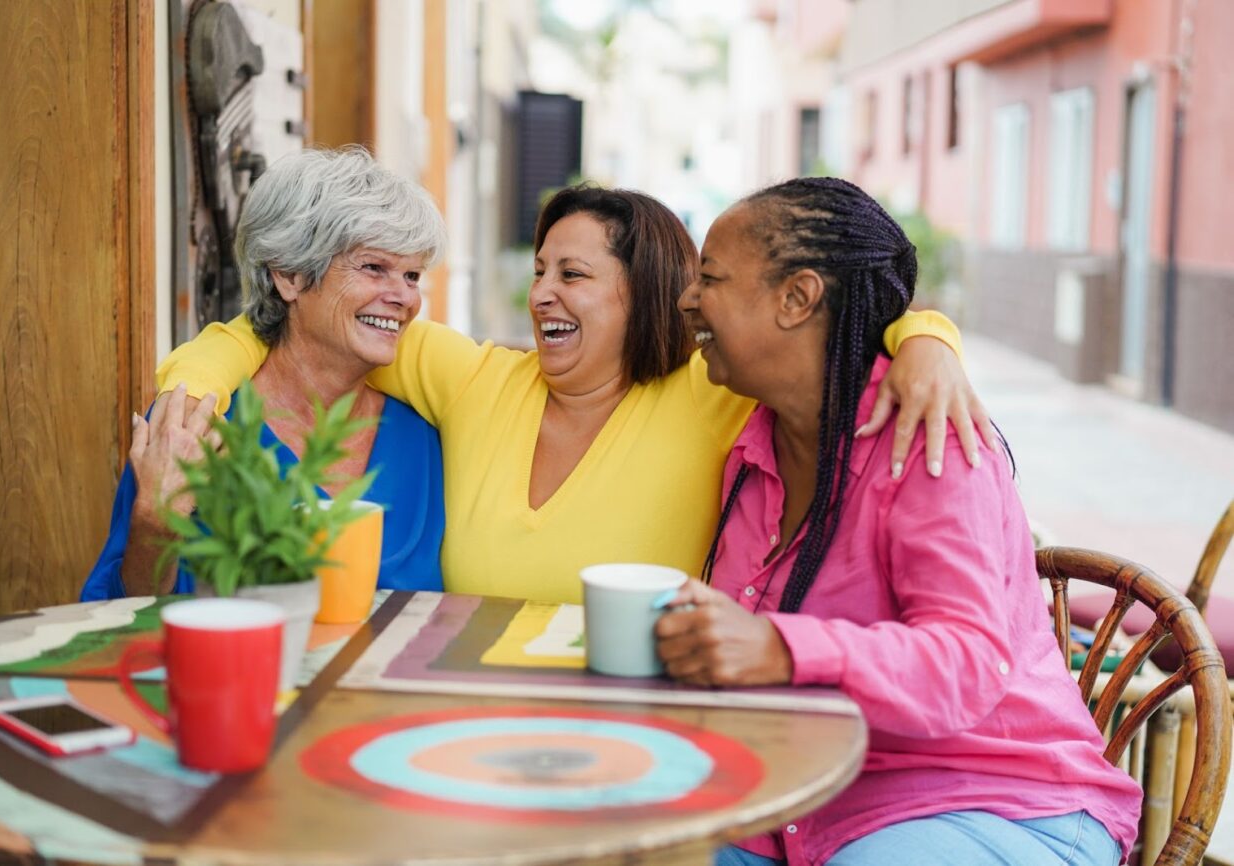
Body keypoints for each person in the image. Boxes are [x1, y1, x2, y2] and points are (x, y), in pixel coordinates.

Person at [154, 183, 991, 605]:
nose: (543, 294)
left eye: (575, 275)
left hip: (631, 731)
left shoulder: (713, 393)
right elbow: (306, 326)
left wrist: (926, 338)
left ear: (648, 292)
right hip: (464, 725)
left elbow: (833, 329)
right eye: (540, 271)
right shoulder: (477, 378)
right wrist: (192, 389)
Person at [656, 177, 1141, 866]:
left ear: (797, 297)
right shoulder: (751, 448)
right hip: (810, 800)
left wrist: (778, 647)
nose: (688, 298)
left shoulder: (932, 440)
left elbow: (966, 663)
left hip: (995, 796)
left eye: (709, 277)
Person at [82, 147, 446, 600]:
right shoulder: (192, 423)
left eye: (412, 276)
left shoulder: (424, 435)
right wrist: (156, 517)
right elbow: (123, 611)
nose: (403, 297)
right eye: (374, 267)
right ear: (289, 275)